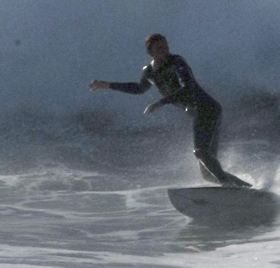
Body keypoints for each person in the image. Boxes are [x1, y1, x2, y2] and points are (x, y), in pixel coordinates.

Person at [90, 34, 250, 188]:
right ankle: (246, 189)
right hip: (199, 114)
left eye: (165, 46)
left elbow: (188, 87)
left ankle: (231, 186)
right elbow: (138, 88)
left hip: (208, 109)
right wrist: (107, 85)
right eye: (159, 48)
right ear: (151, 52)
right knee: (208, 173)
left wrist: (160, 103)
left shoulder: (177, 62)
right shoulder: (149, 71)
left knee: (201, 152)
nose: (164, 50)